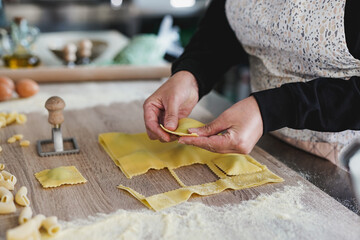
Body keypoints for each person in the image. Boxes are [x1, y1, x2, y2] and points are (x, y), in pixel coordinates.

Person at [144, 0, 360, 165]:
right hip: (265, 144)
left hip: (344, 161)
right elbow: (223, 27)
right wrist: (190, 74)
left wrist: (272, 109)